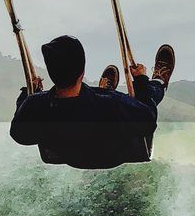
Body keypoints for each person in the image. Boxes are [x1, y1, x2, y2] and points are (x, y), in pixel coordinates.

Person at [10, 35, 175, 169]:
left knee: (105, 100)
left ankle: (107, 88)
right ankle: (159, 82)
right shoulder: (111, 105)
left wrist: (28, 95)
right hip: (114, 155)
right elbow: (148, 121)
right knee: (146, 96)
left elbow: (19, 135)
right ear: (82, 72)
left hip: (72, 157)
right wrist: (140, 79)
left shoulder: (36, 105)